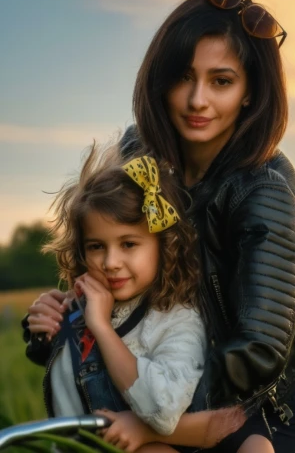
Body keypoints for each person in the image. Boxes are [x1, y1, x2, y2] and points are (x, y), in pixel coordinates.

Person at [100, 0, 295, 453]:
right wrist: (65, 318)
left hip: (251, 407)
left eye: (220, 81)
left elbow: (258, 354)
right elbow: (106, 256)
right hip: (157, 377)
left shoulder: (266, 195)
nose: (197, 100)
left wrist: (163, 417)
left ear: (250, 91)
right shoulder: (140, 153)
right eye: (183, 77)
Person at [21, 141, 209, 452]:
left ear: (163, 245)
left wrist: (103, 329)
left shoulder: (177, 322)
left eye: (128, 244)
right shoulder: (82, 305)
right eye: (96, 246)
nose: (110, 262)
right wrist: (44, 327)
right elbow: (62, 360)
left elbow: (163, 411)